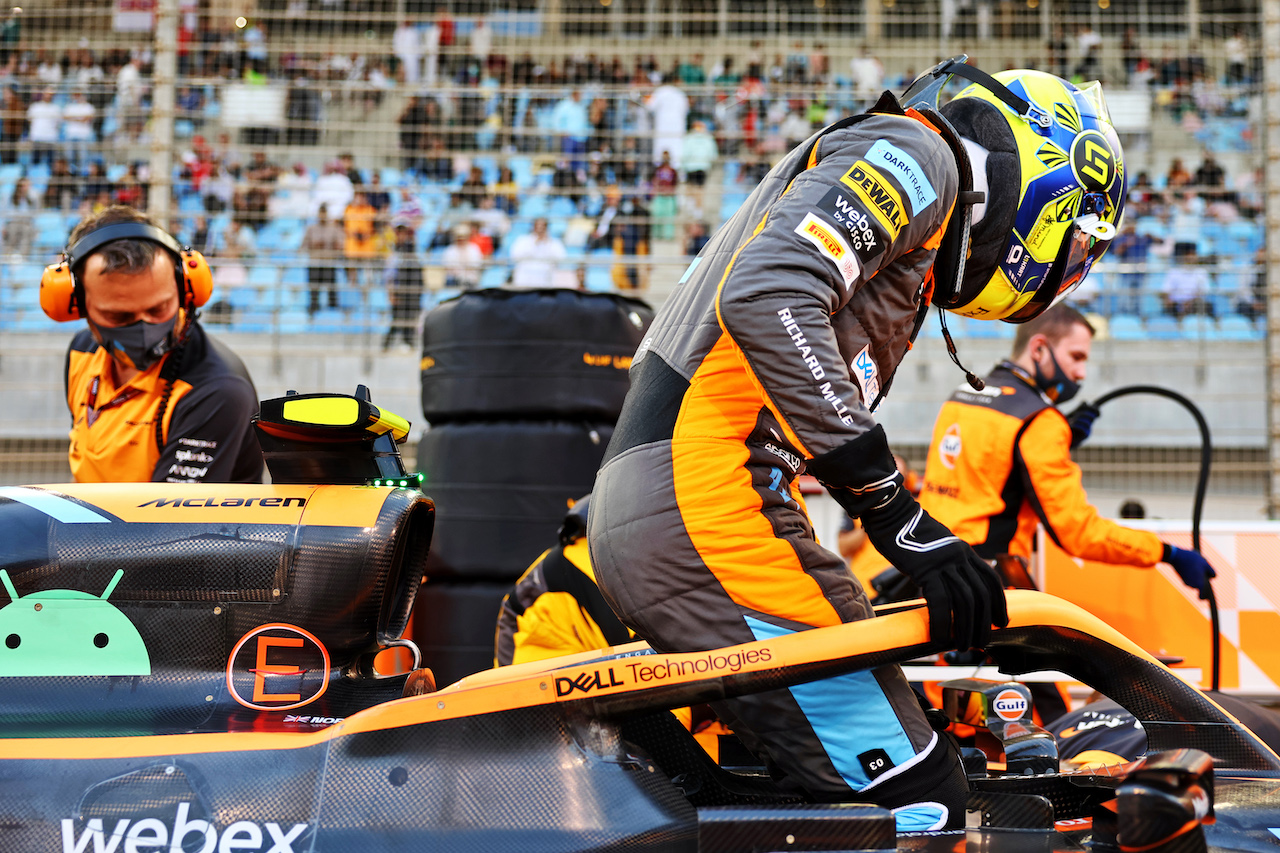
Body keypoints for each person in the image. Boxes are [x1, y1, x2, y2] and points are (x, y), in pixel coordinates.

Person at [587, 64, 1132, 829]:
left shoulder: (913, 188)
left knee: (878, 780)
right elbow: (770, 292)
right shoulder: (919, 155)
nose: (1063, 269)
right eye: (1072, 241)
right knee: (919, 804)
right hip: (706, 510)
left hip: (690, 504)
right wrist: (893, 513)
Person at [917, 303, 1215, 601]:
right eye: (1076, 357)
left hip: (927, 570)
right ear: (1039, 349)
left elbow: (986, 471)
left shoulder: (962, 396)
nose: (1081, 373)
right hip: (986, 588)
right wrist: (1168, 553)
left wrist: (1059, 440)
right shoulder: (1040, 421)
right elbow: (1078, 532)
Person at [46, 205, 262, 484]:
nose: (144, 330)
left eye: (159, 309)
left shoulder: (218, 390)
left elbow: (166, 524)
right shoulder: (81, 351)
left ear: (185, 289)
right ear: (75, 304)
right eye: (119, 316)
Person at [382, 223, 423, 351]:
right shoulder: (394, 256)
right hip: (400, 293)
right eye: (399, 232)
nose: (401, 236)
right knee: (396, 321)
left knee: (410, 322)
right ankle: (386, 347)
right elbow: (389, 277)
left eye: (404, 232)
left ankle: (409, 345)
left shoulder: (413, 254)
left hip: (412, 294)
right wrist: (391, 294)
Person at [303, 204, 344, 314]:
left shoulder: (334, 229)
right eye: (320, 213)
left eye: (324, 213)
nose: (322, 216)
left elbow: (341, 246)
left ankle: (333, 313)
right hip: (315, 263)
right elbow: (303, 246)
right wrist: (313, 245)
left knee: (331, 291)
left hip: (328, 264)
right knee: (314, 292)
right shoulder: (311, 229)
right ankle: (313, 311)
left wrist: (331, 247)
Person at [509, 217, 567, 288]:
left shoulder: (554, 242)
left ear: (546, 227)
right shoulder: (523, 240)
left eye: (543, 226)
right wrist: (534, 244)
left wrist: (547, 244)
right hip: (525, 278)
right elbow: (515, 256)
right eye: (538, 226)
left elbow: (561, 258)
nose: (540, 229)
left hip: (545, 279)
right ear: (533, 227)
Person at [441, 223, 483, 290]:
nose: (461, 240)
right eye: (459, 237)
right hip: (453, 280)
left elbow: (476, 265)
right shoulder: (450, 250)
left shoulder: (474, 248)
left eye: (463, 237)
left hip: (470, 280)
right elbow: (448, 267)